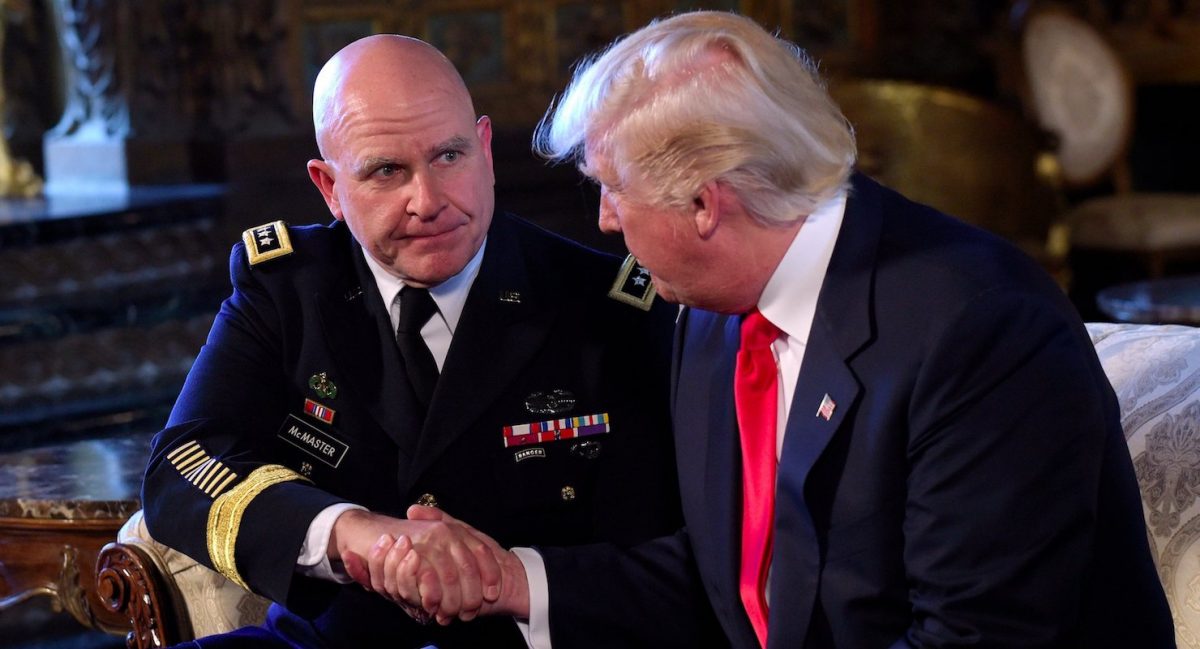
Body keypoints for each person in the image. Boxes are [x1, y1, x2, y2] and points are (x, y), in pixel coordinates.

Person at [362, 10, 1176, 648]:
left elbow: (975, 636)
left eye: (611, 188)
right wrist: (512, 580)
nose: (606, 221)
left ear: (705, 204)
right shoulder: (713, 317)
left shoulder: (981, 327)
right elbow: (731, 584)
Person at [139, 33, 696, 648]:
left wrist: (510, 580)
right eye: (386, 171)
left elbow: (675, 560)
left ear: (484, 149)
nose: (427, 201)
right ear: (330, 189)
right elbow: (182, 467)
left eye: (449, 156)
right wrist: (357, 536)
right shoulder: (290, 289)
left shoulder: (607, 307)